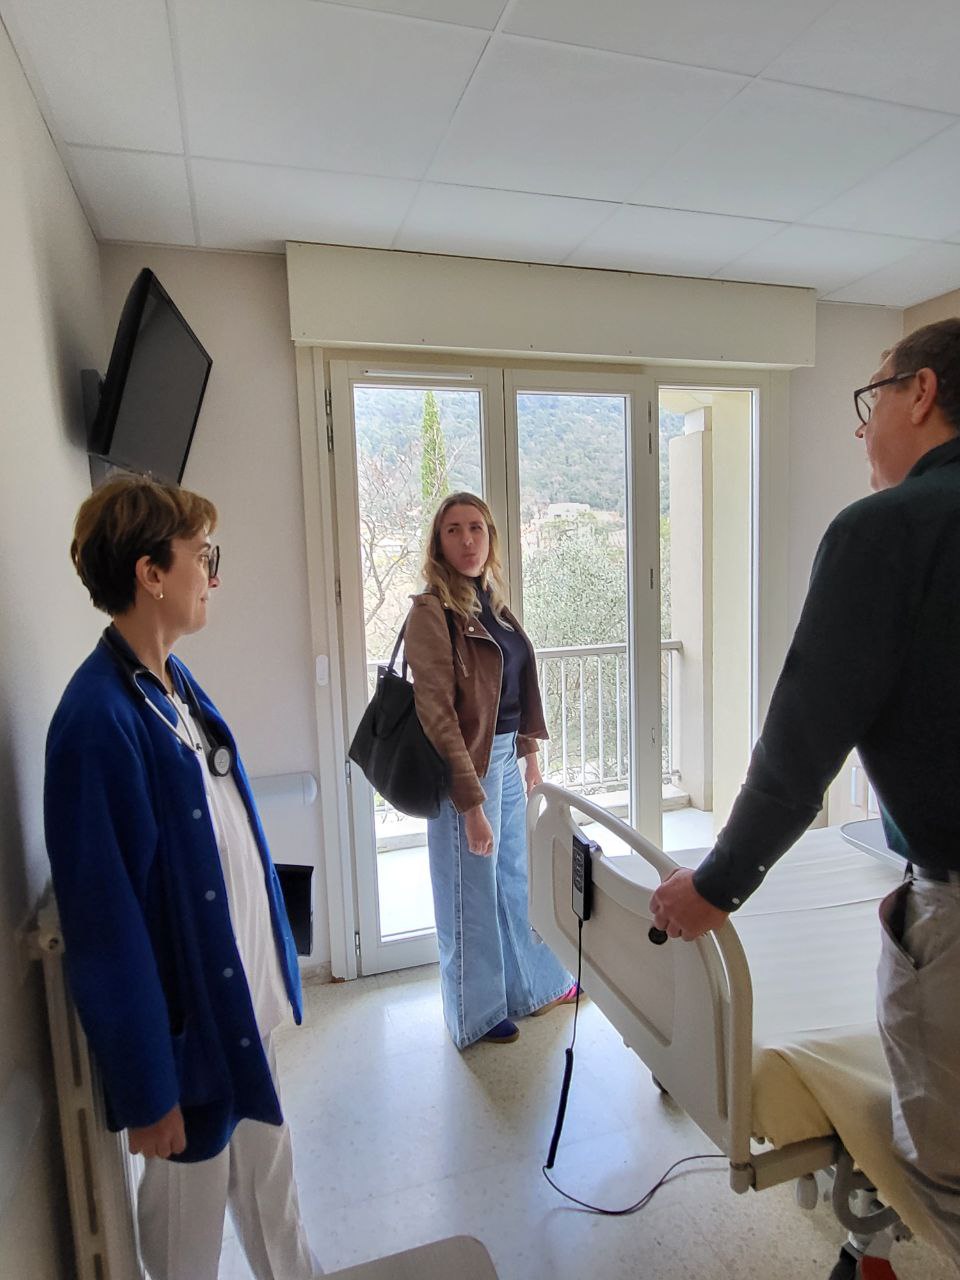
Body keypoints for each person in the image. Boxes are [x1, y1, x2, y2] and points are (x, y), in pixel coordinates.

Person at [650, 318, 960, 1263]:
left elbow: (800, 746)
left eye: (873, 398)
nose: (862, 428)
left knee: (948, 1180)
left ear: (921, 393)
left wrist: (716, 886)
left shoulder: (888, 530)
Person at [44, 474, 322, 1280]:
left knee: (275, 1203)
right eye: (204, 556)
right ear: (150, 573)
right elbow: (105, 930)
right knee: (185, 1244)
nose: (213, 575)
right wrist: (147, 1091)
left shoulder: (169, 682)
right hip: (188, 1050)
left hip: (240, 1018)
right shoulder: (96, 722)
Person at [403, 491, 577, 1047]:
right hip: (464, 765)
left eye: (476, 527)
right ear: (439, 543)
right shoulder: (431, 611)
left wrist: (529, 756)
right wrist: (471, 802)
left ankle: (534, 987)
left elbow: (514, 689)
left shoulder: (492, 604)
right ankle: (473, 1015)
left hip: (503, 756)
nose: (467, 539)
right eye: (453, 529)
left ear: (490, 537)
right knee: (468, 891)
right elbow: (437, 714)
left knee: (512, 878)